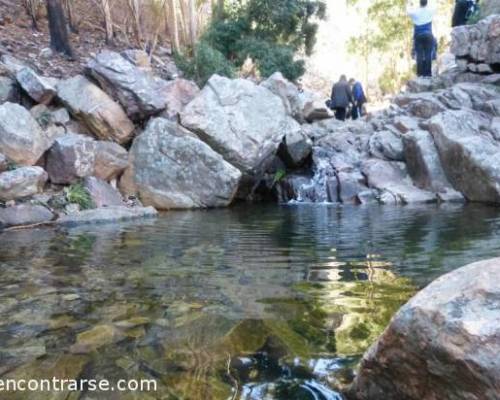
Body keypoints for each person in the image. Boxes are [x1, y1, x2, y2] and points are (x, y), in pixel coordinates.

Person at [407, 0, 436, 77]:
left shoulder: (415, 12)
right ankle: (428, 74)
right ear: (427, 3)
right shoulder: (431, 11)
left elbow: (408, 11)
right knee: (428, 54)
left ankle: (420, 74)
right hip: (428, 35)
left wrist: (409, 3)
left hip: (418, 36)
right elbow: (434, 5)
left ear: (420, 3)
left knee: (419, 55)